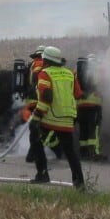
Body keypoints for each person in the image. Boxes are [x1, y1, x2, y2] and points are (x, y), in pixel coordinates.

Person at [23, 45, 85, 188]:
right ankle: (79, 182)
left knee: (35, 139)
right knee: (70, 151)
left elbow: (46, 98)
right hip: (68, 119)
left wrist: (37, 117)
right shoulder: (70, 74)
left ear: (46, 60)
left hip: (50, 117)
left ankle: (42, 174)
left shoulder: (45, 73)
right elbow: (78, 94)